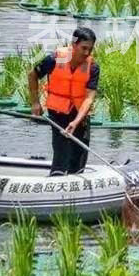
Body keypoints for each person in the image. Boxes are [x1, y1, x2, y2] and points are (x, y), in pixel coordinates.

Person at [28, 27, 99, 175]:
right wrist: (35, 102)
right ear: (73, 45)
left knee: (79, 156)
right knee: (61, 154)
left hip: (80, 116)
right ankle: (56, 182)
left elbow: (89, 98)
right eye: (83, 48)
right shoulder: (53, 59)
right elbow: (32, 75)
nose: (87, 53)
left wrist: (76, 121)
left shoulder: (93, 67)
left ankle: (76, 184)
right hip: (58, 115)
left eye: (90, 49)